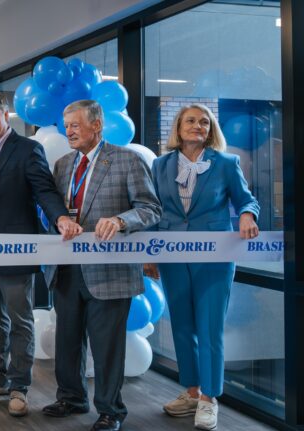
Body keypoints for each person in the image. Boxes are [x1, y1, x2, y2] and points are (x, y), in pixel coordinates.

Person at [0, 90, 83, 417]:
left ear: (5, 116)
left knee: (20, 320)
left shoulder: (28, 150)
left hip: (17, 250)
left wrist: (60, 217)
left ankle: (19, 386)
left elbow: (44, 189)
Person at [42, 100, 161, 431]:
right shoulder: (63, 165)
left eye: (75, 125)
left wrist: (122, 221)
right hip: (66, 268)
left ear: (97, 125)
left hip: (110, 271)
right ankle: (71, 397)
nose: (69, 132)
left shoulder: (128, 160)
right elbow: (55, 209)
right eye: (66, 126)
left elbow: (150, 208)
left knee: (107, 346)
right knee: (67, 340)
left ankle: (110, 410)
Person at [145, 104, 259, 431]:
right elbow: (154, 211)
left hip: (214, 258)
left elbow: (246, 200)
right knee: (181, 325)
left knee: (209, 328)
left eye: (204, 122)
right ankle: (192, 391)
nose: (198, 126)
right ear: (178, 128)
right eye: (191, 121)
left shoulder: (226, 163)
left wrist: (248, 215)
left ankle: (210, 398)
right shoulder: (161, 164)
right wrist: (150, 253)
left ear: (211, 130)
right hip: (171, 255)